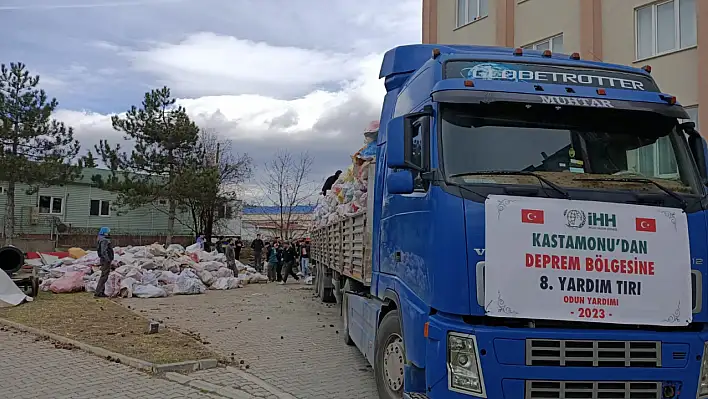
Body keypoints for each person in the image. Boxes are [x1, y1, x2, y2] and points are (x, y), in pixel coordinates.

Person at [94, 227, 115, 298]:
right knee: (104, 277)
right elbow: (103, 251)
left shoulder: (100, 238)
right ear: (104, 232)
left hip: (103, 259)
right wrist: (108, 259)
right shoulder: (104, 240)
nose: (109, 233)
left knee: (104, 276)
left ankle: (101, 292)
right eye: (108, 232)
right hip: (105, 260)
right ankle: (98, 292)